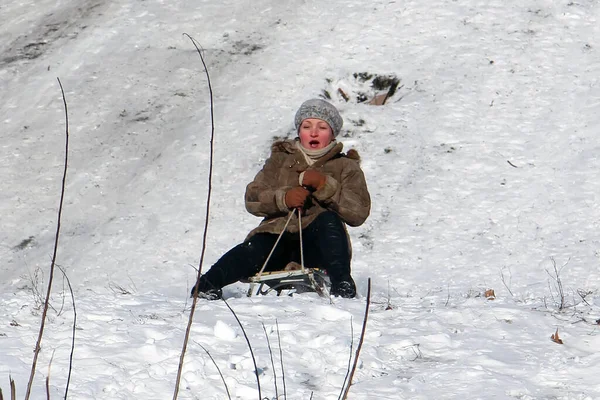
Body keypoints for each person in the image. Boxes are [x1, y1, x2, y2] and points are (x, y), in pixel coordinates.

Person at [191, 99, 371, 299]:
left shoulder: (346, 166)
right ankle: (206, 285)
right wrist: (283, 198)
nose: (313, 133)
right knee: (255, 246)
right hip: (277, 241)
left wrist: (324, 186)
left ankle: (343, 284)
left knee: (328, 221)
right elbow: (252, 197)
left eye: (322, 127)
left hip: (318, 250)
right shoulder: (280, 160)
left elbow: (359, 212)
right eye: (306, 126)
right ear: (299, 130)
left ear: (332, 133)